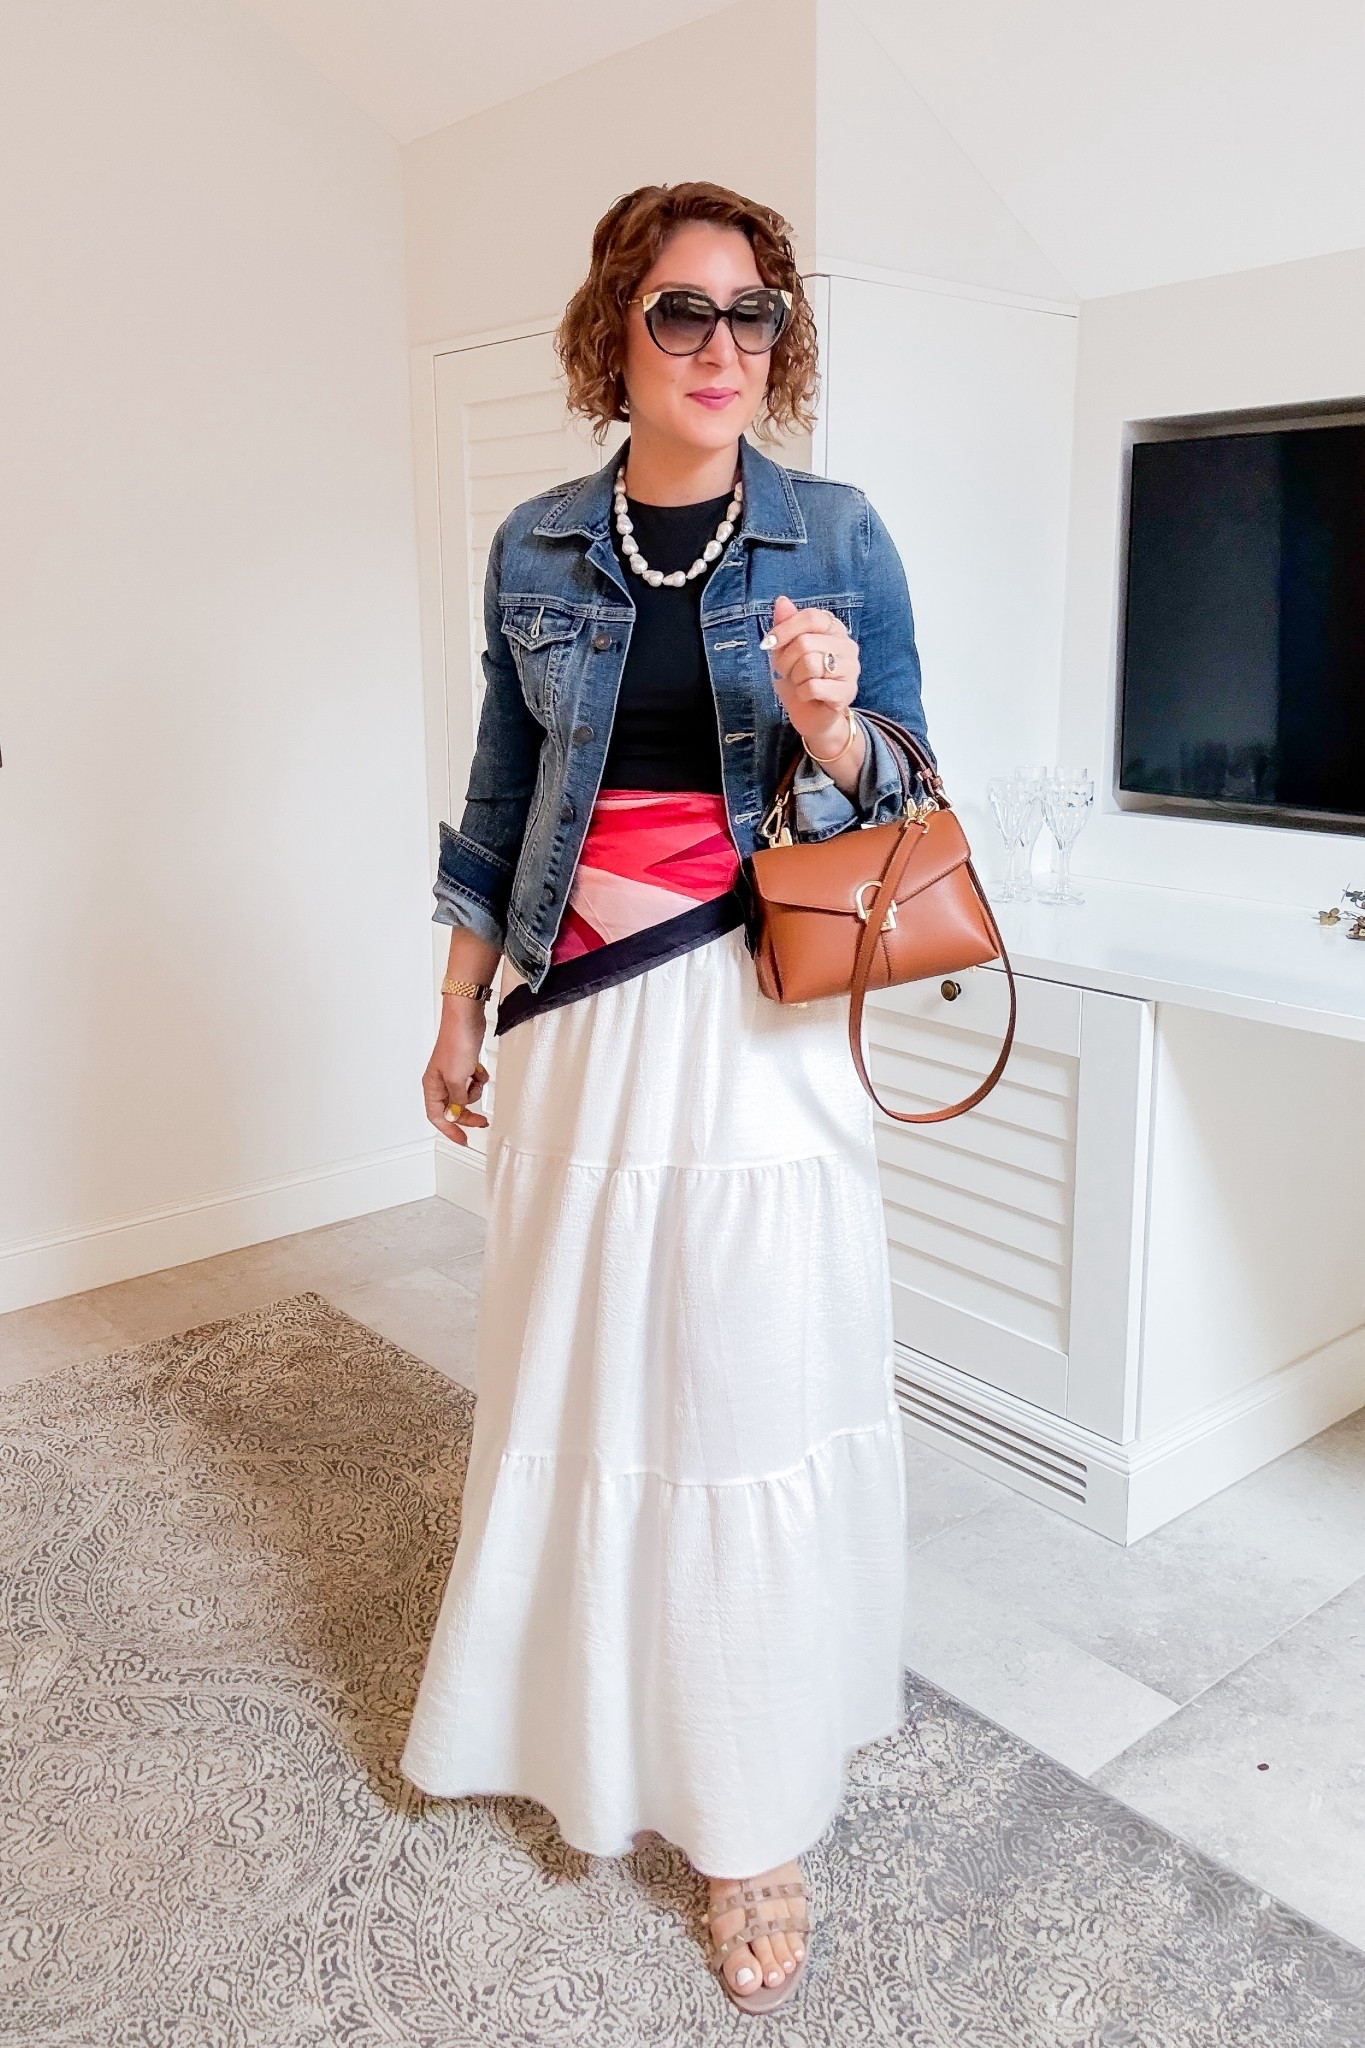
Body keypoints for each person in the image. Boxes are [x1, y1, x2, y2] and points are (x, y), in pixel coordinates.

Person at [401, 179, 933, 2016]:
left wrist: (833, 730)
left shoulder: (836, 532)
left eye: (754, 316)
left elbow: (899, 798)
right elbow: (496, 790)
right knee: (586, 1378)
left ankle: (752, 1815)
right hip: (576, 1020)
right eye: (684, 314)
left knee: (742, 1397)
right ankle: (605, 1731)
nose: (724, 350)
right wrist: (462, 1004)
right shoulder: (540, 542)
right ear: (611, 330)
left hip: (755, 1024)